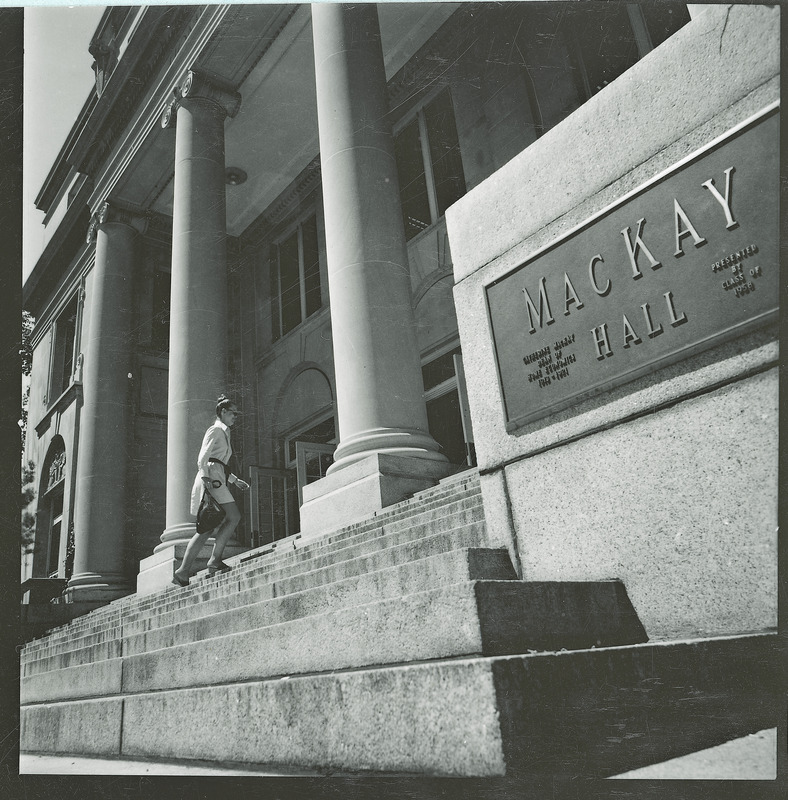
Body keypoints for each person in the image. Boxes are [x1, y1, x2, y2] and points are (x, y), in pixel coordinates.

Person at [172, 394, 250, 586]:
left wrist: (234, 480)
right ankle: (209, 562)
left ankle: (185, 571)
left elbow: (219, 463)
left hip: (217, 479)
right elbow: (203, 458)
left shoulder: (224, 431)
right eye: (233, 413)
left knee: (207, 528)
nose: (235, 417)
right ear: (222, 412)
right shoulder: (215, 430)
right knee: (229, 518)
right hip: (212, 481)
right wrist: (207, 480)